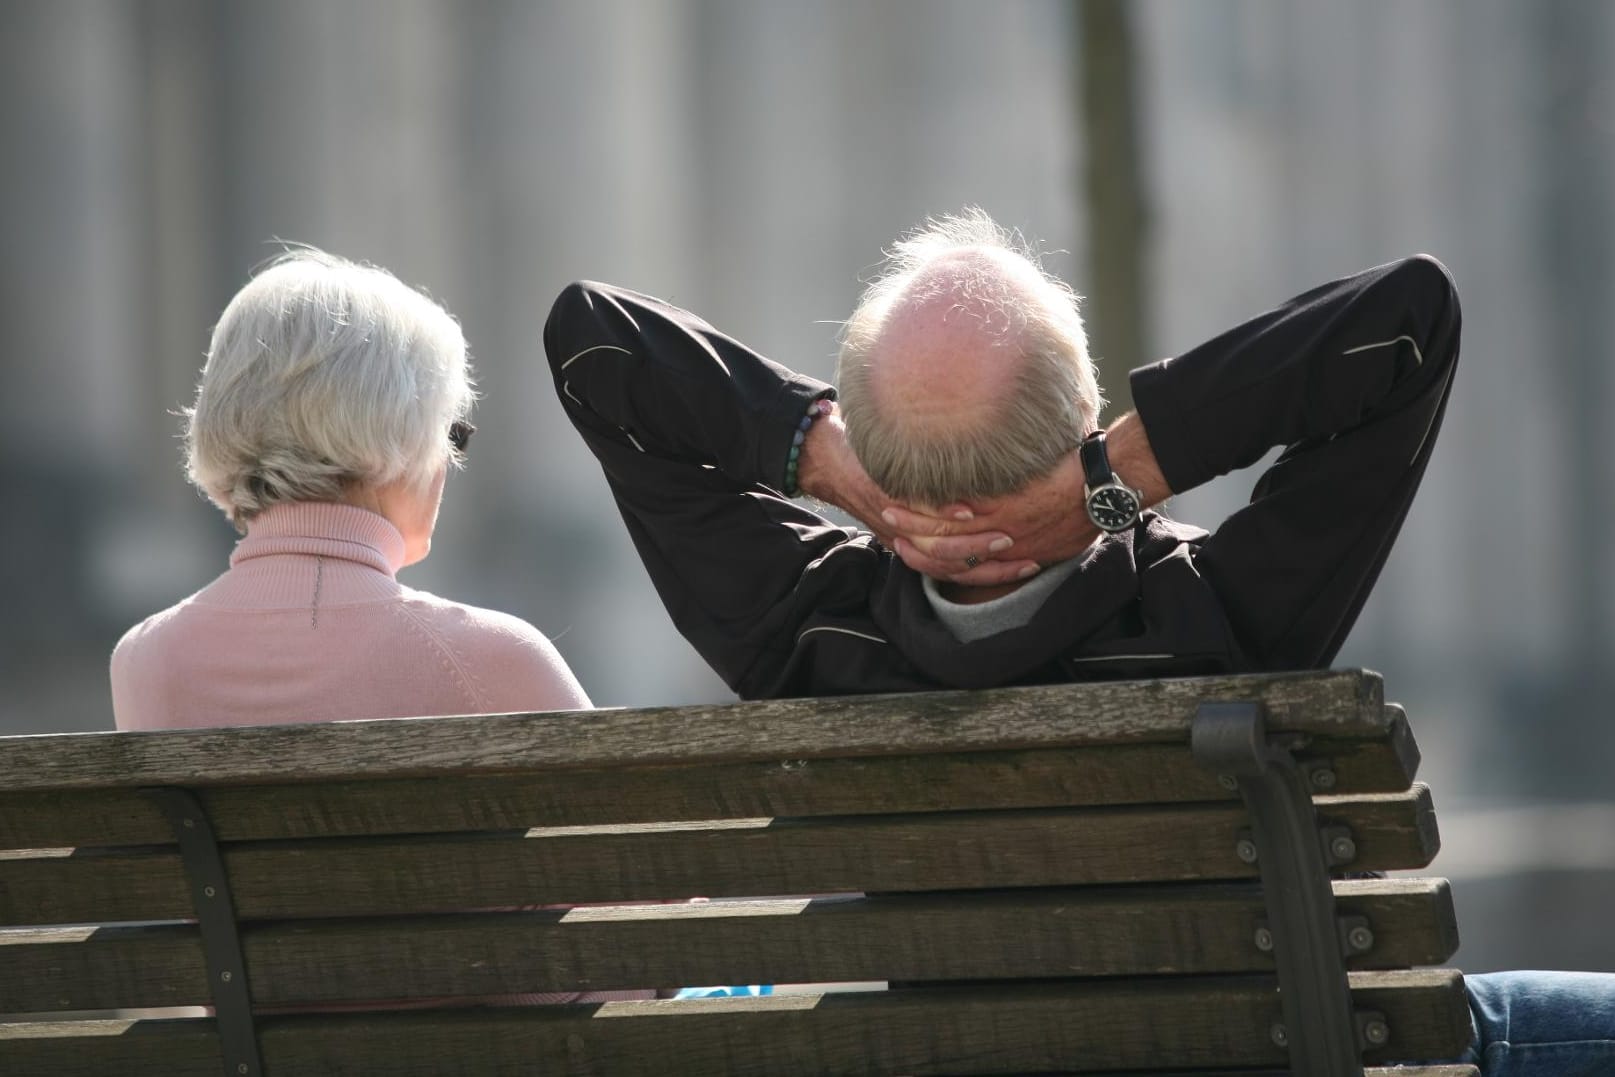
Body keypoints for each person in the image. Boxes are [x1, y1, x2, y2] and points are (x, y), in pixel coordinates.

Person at [542, 209, 1614, 1073]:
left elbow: (593, 342)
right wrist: (1115, 484)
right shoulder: (1212, 615)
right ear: (1087, 410)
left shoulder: (802, 630)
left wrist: (824, 463)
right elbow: (1406, 322)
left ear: (875, 459)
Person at [112, 248, 641, 1005]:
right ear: (397, 436)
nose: (449, 464)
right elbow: (643, 914)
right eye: (450, 434)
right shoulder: (490, 660)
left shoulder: (144, 662)